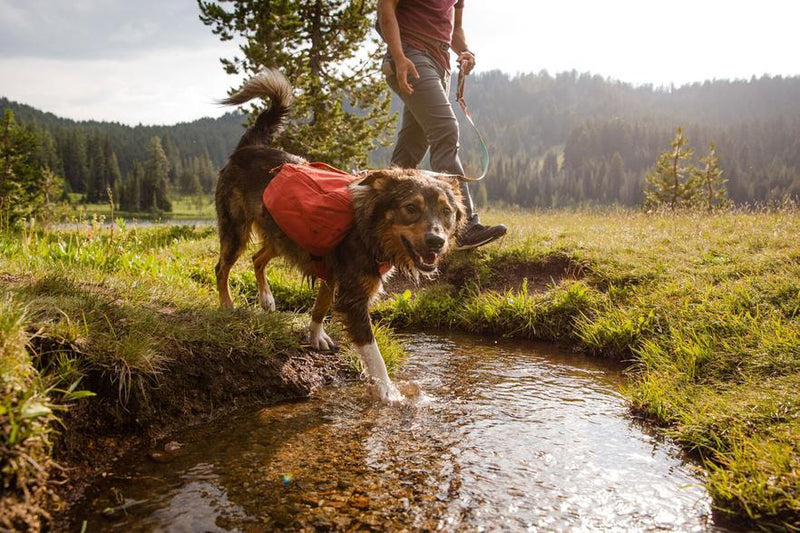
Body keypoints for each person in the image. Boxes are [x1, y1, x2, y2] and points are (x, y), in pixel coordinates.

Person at [377, 0, 507, 250]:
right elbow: (386, 9)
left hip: (440, 64)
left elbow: (454, 30)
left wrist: (465, 51)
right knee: (446, 130)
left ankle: (377, 221)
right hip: (411, 55)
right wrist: (399, 57)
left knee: (411, 147)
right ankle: (465, 227)